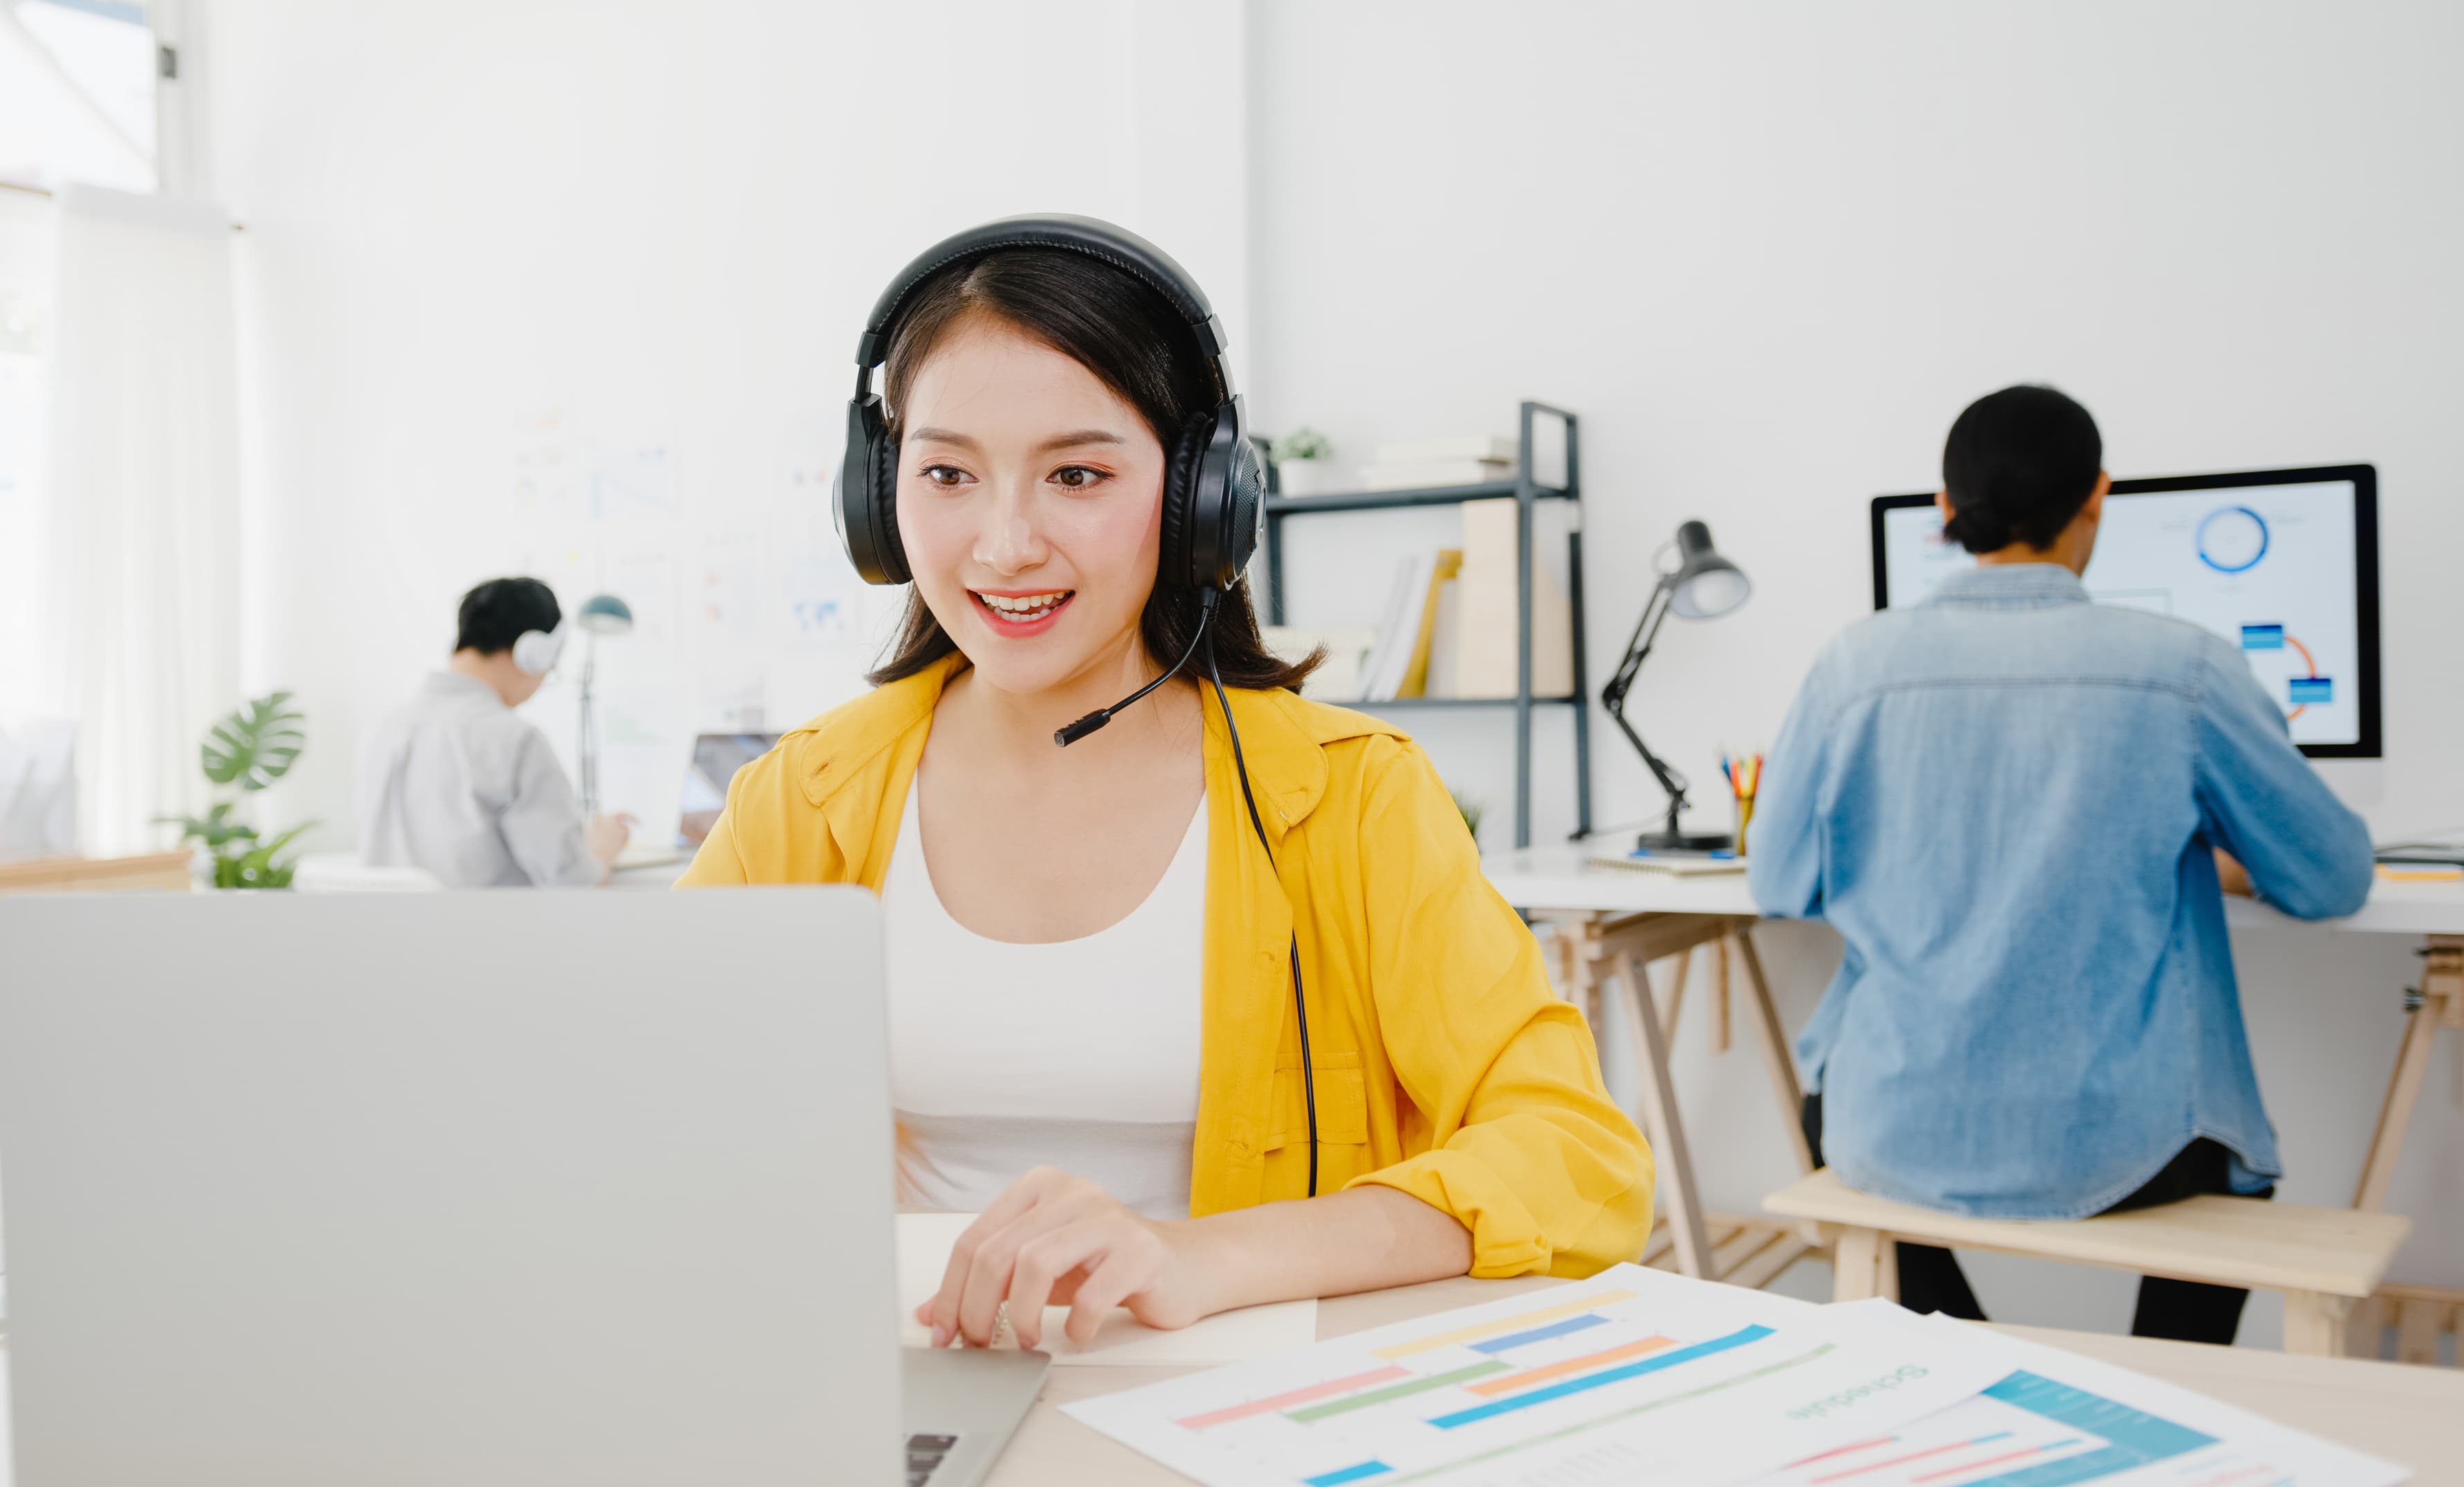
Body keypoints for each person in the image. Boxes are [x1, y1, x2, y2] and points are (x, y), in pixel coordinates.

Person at [680, 220, 1651, 1352]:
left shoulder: (1350, 798)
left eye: (1078, 474)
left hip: (1245, 1410)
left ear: (1200, 500)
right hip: (898, 1399)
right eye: (946, 472)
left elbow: (1577, 1158)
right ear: (877, 496)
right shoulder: (801, 801)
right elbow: (635, 1108)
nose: (1002, 546)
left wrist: (1202, 1256)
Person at [1746, 384, 2373, 1344]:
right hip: (2139, 1148)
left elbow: (1778, 883)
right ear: (2099, 497)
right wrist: (2213, 858)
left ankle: (1966, 1362)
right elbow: (2332, 879)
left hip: (1888, 1127)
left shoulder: (1851, 666)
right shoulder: (2185, 667)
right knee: (2235, 1157)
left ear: (1944, 511)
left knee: (1844, 1117)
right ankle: (2172, 1386)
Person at [357, 576, 634, 887]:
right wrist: (602, 849)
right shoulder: (513, 740)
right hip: (489, 933)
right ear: (535, 653)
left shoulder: (384, 728)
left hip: (393, 932)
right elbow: (574, 884)